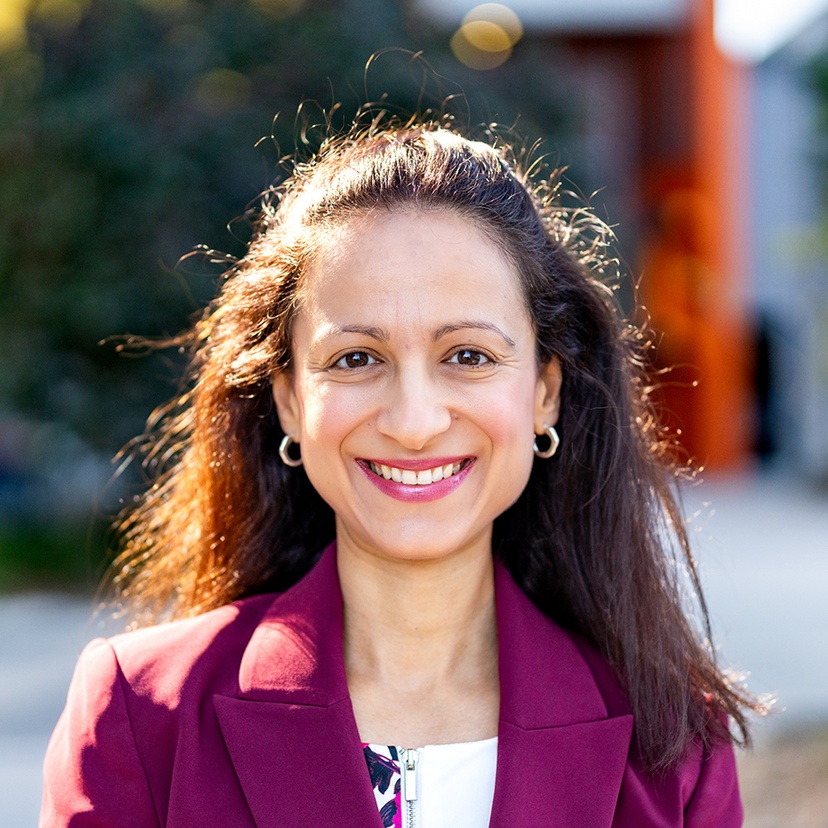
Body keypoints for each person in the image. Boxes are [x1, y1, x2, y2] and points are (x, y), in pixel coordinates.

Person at [41, 117, 761, 827]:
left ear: (546, 392)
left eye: (468, 356)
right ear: (290, 400)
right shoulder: (139, 715)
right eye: (356, 359)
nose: (413, 422)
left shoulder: (673, 750)